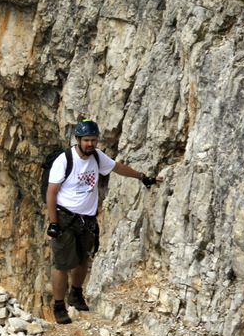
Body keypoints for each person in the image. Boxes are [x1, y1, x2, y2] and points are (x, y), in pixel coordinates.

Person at [45, 120, 160, 324]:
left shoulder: (97, 157)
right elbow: (51, 192)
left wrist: (142, 177)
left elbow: (117, 168)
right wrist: (53, 223)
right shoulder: (65, 160)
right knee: (62, 264)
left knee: (83, 260)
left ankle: (76, 294)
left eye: (93, 140)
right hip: (64, 218)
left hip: (86, 219)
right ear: (78, 140)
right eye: (87, 140)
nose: (90, 144)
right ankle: (59, 306)